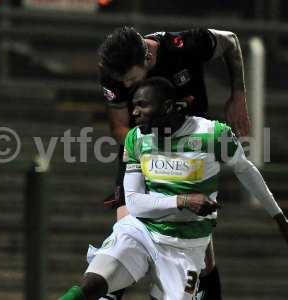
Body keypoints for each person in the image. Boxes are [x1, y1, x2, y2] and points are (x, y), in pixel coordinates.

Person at [58, 77, 288, 300]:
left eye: (143, 105)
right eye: (134, 105)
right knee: (92, 284)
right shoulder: (136, 139)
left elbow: (246, 170)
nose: (135, 112)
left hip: (185, 246)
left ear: (166, 107)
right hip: (141, 231)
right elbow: (133, 202)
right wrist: (184, 200)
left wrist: (279, 217)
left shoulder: (212, 134)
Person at [99, 26, 249, 299]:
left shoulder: (183, 46)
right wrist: (150, 155)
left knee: (202, 255)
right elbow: (120, 128)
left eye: (132, 80)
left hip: (189, 156)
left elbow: (230, 42)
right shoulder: (114, 73)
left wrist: (238, 96)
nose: (129, 88)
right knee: (123, 236)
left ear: (147, 59)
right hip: (141, 150)